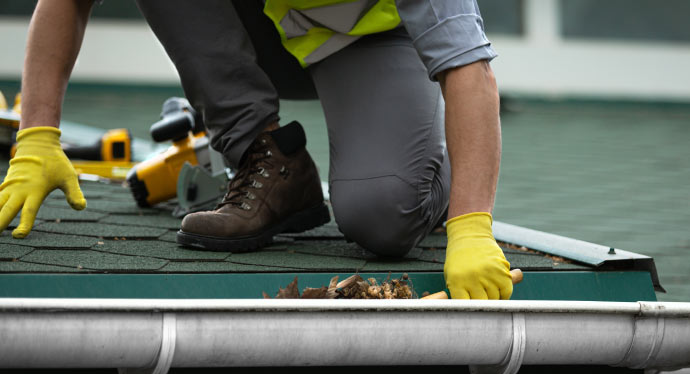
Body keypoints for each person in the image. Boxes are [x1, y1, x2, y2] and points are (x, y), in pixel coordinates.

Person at [0, 0, 513, 300]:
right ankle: (262, 155)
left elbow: (469, 68)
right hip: (260, 25)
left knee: (383, 219)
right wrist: (37, 136)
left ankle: (435, 176)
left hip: (367, 42)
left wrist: (470, 223)